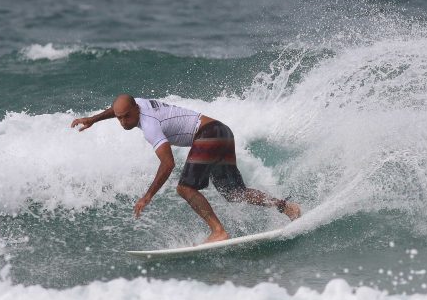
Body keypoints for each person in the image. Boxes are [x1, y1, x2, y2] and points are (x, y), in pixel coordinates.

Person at [71, 94, 301, 243]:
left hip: (208, 135)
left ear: (136, 110)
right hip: (222, 131)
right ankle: (287, 207)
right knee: (234, 193)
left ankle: (218, 231)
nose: (123, 122)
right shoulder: (136, 103)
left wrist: (147, 196)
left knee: (185, 188)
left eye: (126, 117)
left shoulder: (151, 125)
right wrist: (93, 119)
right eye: (120, 118)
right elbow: (116, 109)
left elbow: (168, 163)